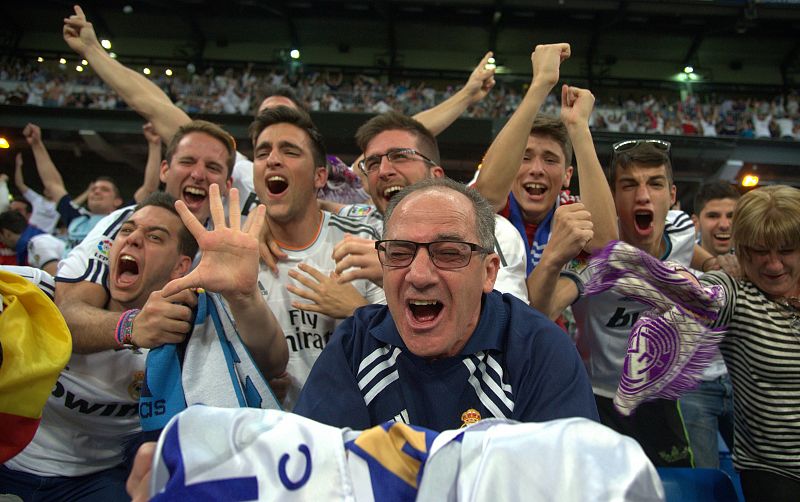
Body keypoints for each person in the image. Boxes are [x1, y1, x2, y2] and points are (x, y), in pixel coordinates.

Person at [294, 177, 599, 430]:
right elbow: (318, 473)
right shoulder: (355, 345)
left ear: (488, 272)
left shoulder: (540, 351)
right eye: (400, 252)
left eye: (449, 253)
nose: (419, 275)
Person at [529, 139, 725, 467]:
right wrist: (552, 261)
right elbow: (543, 311)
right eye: (629, 185)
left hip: (663, 401)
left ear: (672, 197)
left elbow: (687, 248)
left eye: (656, 184)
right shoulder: (593, 260)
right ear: (613, 198)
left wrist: (714, 266)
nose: (644, 196)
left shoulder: (681, 230)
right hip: (600, 401)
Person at [54, 119, 236, 354]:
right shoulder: (125, 225)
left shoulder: (234, 245)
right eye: (187, 161)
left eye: (213, 167)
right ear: (164, 170)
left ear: (227, 184)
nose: (198, 174)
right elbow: (68, 317)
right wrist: (131, 326)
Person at [248, 106, 385, 409]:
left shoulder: (363, 239)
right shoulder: (237, 249)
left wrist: (356, 311)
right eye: (262, 153)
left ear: (319, 176)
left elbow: (401, 346)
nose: (272, 160)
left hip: (351, 429)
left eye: (290, 152)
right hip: (265, 429)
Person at [329, 111, 528, 302]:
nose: (383, 171)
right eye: (372, 163)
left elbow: (510, 324)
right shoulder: (351, 226)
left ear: (436, 175)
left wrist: (392, 278)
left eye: (400, 156)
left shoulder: (491, 231)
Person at [472, 44, 618, 277]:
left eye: (550, 160)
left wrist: (579, 129)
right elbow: (484, 197)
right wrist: (540, 84)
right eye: (525, 158)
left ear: (567, 175)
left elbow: (605, 247)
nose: (537, 169)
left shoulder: (569, 210)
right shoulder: (500, 207)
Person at [699, 185, 800, 500]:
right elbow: (699, 294)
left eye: (785, 250)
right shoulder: (738, 295)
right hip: (776, 479)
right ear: (742, 250)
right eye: (759, 251)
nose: (772, 265)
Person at [679, 181, 740, 468]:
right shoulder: (678, 266)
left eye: (731, 216)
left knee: (765, 472)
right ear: (696, 222)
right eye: (714, 216)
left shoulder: (761, 264)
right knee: (705, 480)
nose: (724, 224)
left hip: (743, 383)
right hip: (695, 386)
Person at [0, 210, 64, 275]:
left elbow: (55, 277)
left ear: (7, 233)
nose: (2, 242)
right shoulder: (31, 243)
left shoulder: (38, 243)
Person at [13, 151, 61, 234]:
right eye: (47, 188)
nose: (48, 190)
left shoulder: (60, 205)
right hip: (29, 234)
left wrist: (87, 192)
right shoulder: (36, 199)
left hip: (45, 239)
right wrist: (18, 166)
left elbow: (74, 203)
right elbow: (19, 184)